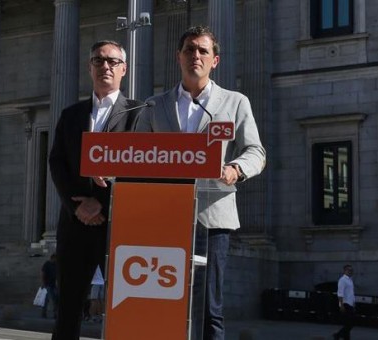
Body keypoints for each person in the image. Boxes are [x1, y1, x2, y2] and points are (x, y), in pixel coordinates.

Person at [134, 26, 266, 340]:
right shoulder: (155, 105)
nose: (196, 56)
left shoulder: (234, 102)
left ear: (215, 60)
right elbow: (136, 153)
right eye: (190, 49)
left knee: (210, 308)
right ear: (179, 57)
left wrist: (235, 168)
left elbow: (256, 151)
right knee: (164, 301)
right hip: (164, 215)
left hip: (212, 216)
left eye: (203, 51)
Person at [48, 40, 144, 340]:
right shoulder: (71, 114)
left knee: (125, 307)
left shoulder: (139, 114)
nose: (106, 66)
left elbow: (141, 168)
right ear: (90, 67)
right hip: (75, 224)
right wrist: (77, 205)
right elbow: (57, 163)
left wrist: (101, 203)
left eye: (113, 61)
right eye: (99, 60)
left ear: (124, 69)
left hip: (117, 228)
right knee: (68, 309)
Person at [333, 265, 355, 340]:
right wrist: (341, 305)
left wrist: (353, 302)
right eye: (349, 270)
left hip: (350, 304)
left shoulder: (350, 280)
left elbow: (351, 293)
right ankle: (338, 335)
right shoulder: (342, 280)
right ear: (345, 271)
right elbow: (340, 293)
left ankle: (345, 337)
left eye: (351, 270)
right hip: (345, 304)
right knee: (350, 324)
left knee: (348, 323)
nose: (350, 272)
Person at [40, 253, 58, 319]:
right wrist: (43, 283)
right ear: (52, 258)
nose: (56, 260)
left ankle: (53, 314)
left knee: (53, 299)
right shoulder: (47, 264)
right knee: (49, 299)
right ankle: (45, 313)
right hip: (47, 284)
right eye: (55, 259)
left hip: (54, 285)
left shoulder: (56, 264)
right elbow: (42, 273)